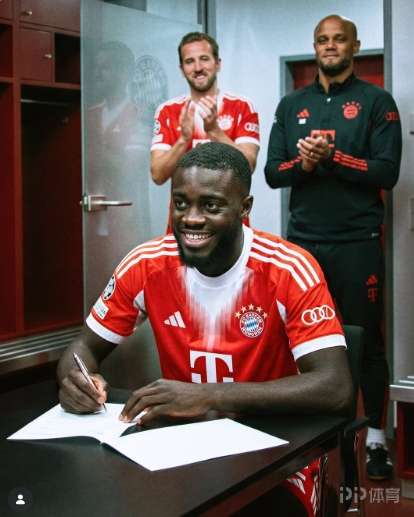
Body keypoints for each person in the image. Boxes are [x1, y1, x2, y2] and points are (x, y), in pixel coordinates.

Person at [58, 142, 352, 517]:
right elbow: (82, 348)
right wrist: (76, 381)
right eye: (181, 203)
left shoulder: (288, 269)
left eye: (211, 206)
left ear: (244, 208)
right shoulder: (146, 264)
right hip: (179, 449)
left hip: (276, 451)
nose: (191, 219)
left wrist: (210, 396)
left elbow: (335, 387)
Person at [264, 14, 402, 481]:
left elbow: (387, 173)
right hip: (302, 245)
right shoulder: (291, 105)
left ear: (354, 46)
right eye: (322, 40)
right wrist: (304, 165)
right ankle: (306, 436)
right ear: (315, 46)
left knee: (366, 340)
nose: (329, 46)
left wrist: (334, 157)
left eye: (339, 39)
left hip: (357, 243)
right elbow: (273, 174)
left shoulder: (376, 102)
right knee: (296, 341)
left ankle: (376, 440)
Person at [150, 32, 260, 229]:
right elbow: (158, 175)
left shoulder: (242, 106)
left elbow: (249, 165)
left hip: (230, 225)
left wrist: (215, 131)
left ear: (218, 64)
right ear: (182, 69)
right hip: (183, 224)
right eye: (189, 61)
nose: (198, 67)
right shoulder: (168, 110)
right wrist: (183, 139)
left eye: (204, 59)